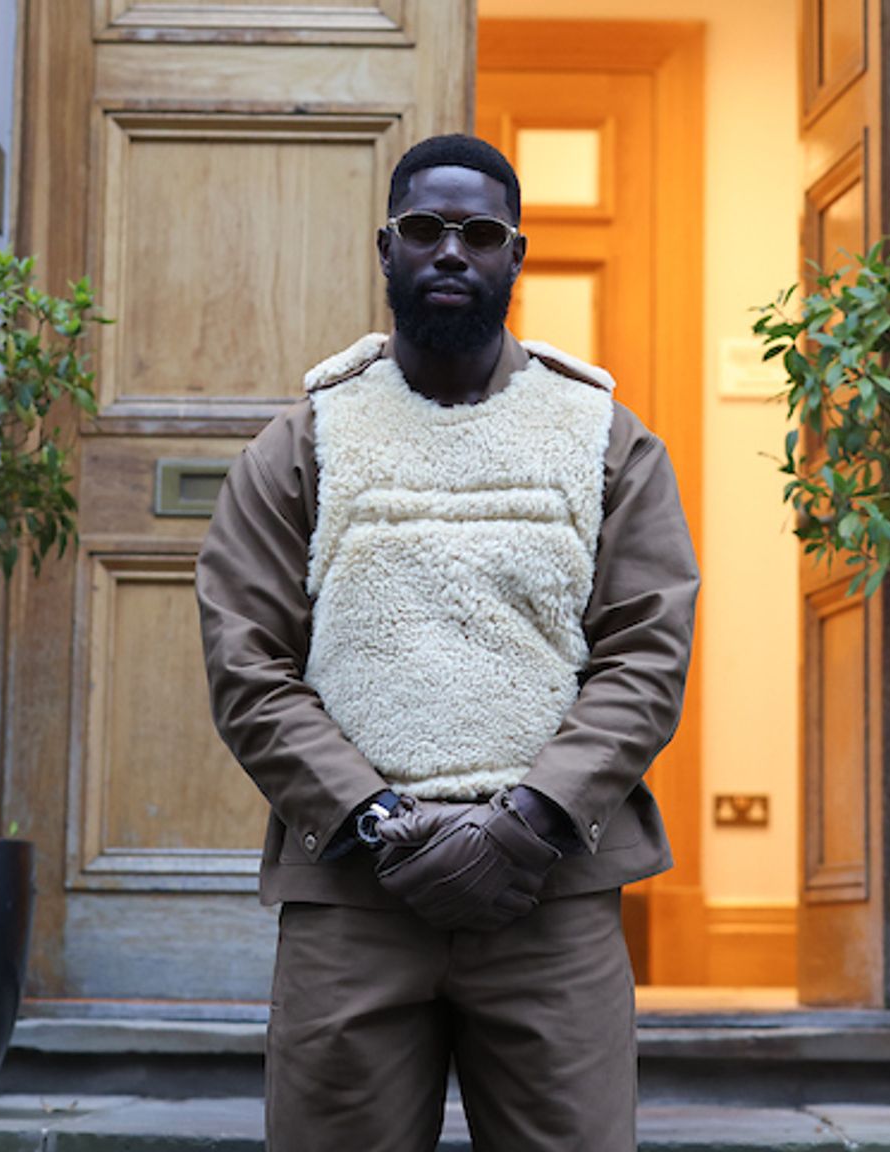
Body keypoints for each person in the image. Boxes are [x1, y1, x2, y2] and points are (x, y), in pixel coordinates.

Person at [196, 133, 699, 1152]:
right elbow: (247, 665)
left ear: (517, 256)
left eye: (479, 233)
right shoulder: (299, 444)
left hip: (547, 893)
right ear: (385, 248)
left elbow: (644, 655)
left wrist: (523, 824)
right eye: (423, 229)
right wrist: (377, 819)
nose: (449, 252)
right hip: (354, 895)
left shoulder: (607, 440)